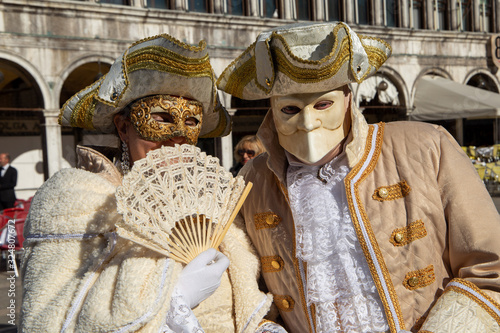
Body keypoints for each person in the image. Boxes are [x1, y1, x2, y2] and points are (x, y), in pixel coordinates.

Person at [217, 22, 500, 333]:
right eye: (290, 109)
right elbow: (244, 300)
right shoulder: (252, 182)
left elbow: (490, 270)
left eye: (323, 104)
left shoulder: (426, 146)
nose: (309, 123)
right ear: (271, 110)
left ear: (348, 99)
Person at [20, 34, 285, 333]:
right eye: (161, 118)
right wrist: (175, 300)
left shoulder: (218, 204)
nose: (177, 137)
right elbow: (45, 321)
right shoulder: (75, 200)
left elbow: (249, 303)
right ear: (123, 127)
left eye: (191, 121)